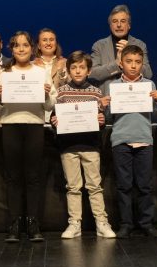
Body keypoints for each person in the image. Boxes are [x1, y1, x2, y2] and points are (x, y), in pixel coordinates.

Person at [0, 31, 56, 242]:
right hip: (10, 126)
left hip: (35, 125)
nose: (22, 49)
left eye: (25, 45)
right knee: (13, 178)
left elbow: (51, 103)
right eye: (17, 46)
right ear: (12, 49)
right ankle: (15, 224)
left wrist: (45, 94)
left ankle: (33, 223)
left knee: (34, 177)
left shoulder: (40, 72)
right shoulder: (3, 73)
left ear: (31, 47)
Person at [50, 51, 116, 240]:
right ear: (69, 70)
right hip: (68, 147)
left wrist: (101, 119)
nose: (77, 71)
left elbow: (100, 121)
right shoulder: (62, 92)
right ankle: (74, 223)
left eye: (82, 67)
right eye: (74, 67)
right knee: (73, 187)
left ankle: (101, 222)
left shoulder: (96, 92)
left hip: (90, 146)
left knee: (95, 186)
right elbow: (54, 117)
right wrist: (55, 120)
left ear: (88, 70)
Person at [103, 44, 157, 239]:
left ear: (142, 64)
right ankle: (126, 223)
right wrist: (106, 106)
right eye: (129, 62)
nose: (133, 66)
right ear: (121, 64)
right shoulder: (114, 87)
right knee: (124, 185)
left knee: (145, 185)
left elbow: (154, 116)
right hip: (121, 140)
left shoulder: (150, 85)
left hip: (144, 140)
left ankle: (146, 223)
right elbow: (110, 118)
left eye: (138, 62)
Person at [90, 4, 152, 89]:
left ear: (129, 25)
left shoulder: (140, 44)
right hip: (108, 99)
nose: (119, 25)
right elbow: (92, 74)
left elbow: (148, 74)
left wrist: (129, 54)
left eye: (123, 21)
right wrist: (117, 64)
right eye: (115, 21)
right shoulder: (99, 46)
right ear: (110, 25)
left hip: (135, 98)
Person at [34, 27, 68, 122]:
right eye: (44, 40)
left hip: (60, 114)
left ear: (56, 44)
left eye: (52, 40)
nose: (48, 43)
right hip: (38, 115)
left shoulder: (66, 63)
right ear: (39, 45)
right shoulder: (31, 65)